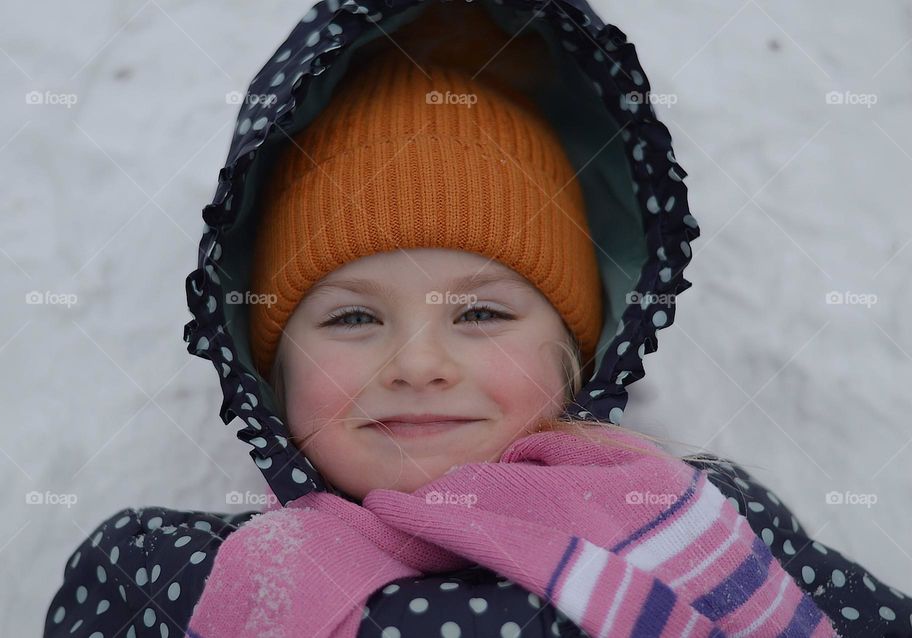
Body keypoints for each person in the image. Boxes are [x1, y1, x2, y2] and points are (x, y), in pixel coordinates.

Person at [44, 1, 912, 637]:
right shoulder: (165, 579)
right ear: (267, 367)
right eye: (352, 319)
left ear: (578, 354)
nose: (418, 363)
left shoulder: (696, 519)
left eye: (483, 312)